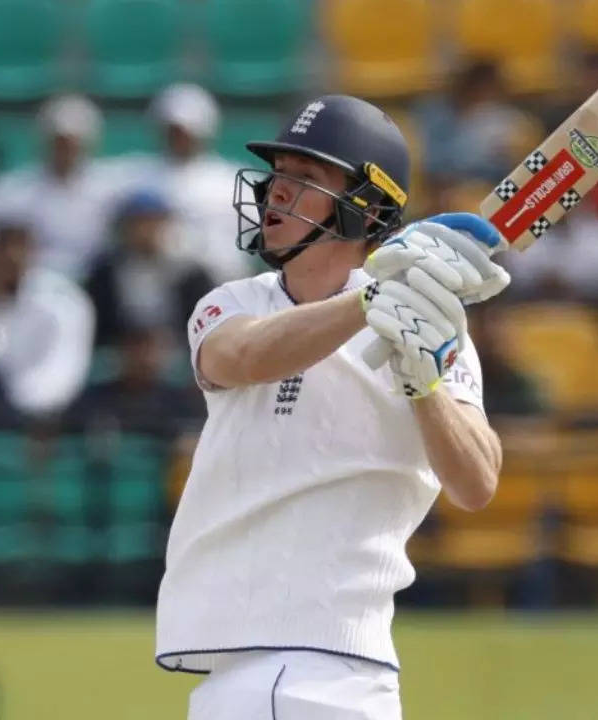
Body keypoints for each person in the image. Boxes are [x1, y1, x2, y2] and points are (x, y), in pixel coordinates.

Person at [155, 95, 511, 719]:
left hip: (335, 669)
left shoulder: (429, 329)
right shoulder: (231, 303)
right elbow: (242, 358)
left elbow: (477, 481)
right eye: (278, 176)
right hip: (246, 674)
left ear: (365, 209)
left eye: (305, 179)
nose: (276, 195)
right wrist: (371, 300)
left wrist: (422, 384)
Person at [0, 218, 95, 425]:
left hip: (43, 415)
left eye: (16, 251)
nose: (7, 261)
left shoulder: (61, 302)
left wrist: (13, 400)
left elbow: (60, 374)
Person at [0, 94, 128, 279]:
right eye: (60, 142)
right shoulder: (19, 190)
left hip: (96, 281)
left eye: (73, 142)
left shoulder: (110, 189)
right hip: (37, 283)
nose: (66, 149)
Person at [131, 84, 253, 285]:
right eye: (174, 130)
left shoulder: (232, 181)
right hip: (163, 289)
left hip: (223, 284)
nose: (180, 137)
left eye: (186, 130)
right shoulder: (140, 177)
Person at [84, 188, 215, 348]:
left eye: (154, 222)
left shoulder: (191, 273)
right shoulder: (105, 274)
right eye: (138, 223)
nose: (146, 231)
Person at [68, 324, 205, 436]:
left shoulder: (180, 402)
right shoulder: (93, 398)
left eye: (151, 349)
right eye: (136, 347)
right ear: (122, 351)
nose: (143, 357)